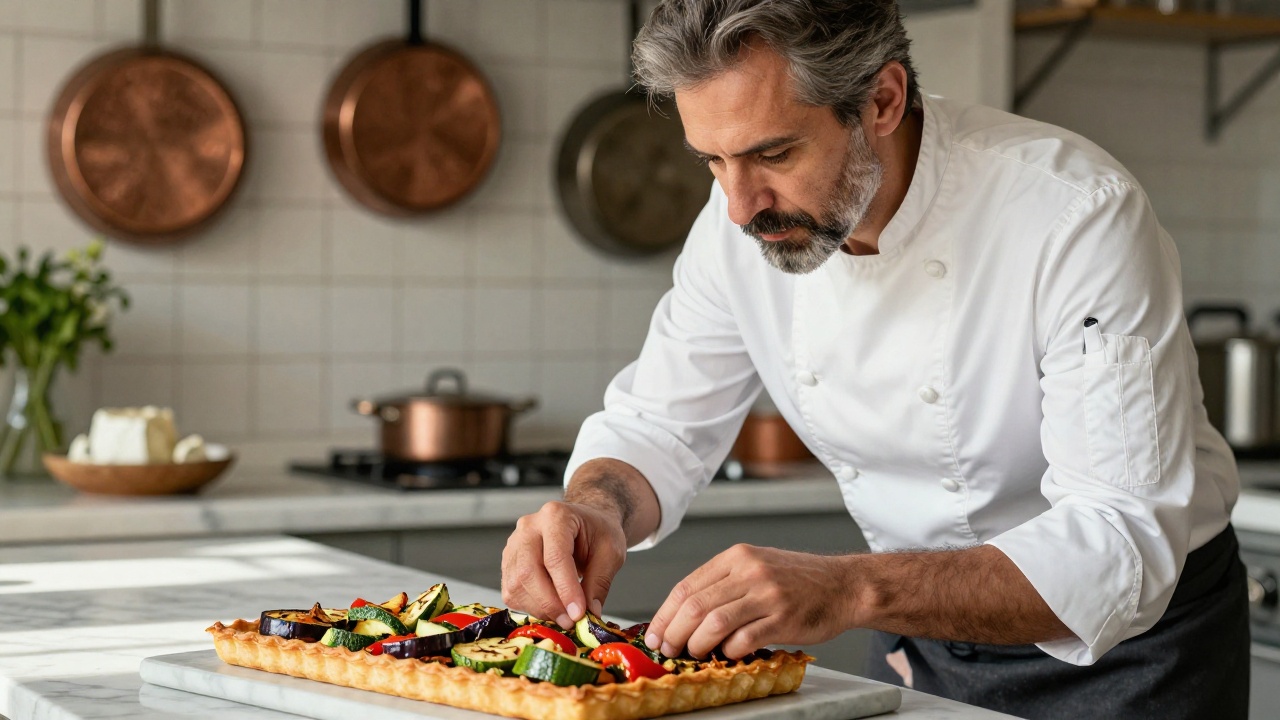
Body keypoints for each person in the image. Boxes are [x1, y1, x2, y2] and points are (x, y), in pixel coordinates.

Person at [501, 1, 1250, 717]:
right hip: (913, 627)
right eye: (712, 161)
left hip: (1130, 652)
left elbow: (1117, 540)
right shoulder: (739, 225)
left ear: (883, 100)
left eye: (774, 152)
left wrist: (846, 589)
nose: (739, 206)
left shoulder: (1073, 214)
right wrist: (594, 509)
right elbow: (659, 423)